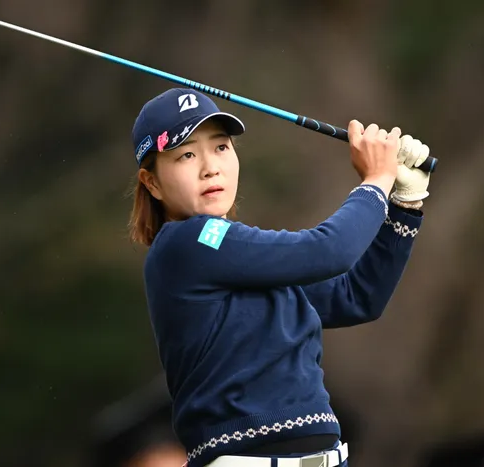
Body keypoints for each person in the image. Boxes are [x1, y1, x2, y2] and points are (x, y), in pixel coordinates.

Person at [127, 88, 431, 467]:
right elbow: (330, 251)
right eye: (186, 155)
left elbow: (357, 297)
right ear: (152, 183)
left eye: (220, 147)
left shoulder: (234, 253)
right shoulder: (188, 242)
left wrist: (404, 204)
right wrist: (376, 182)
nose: (210, 167)